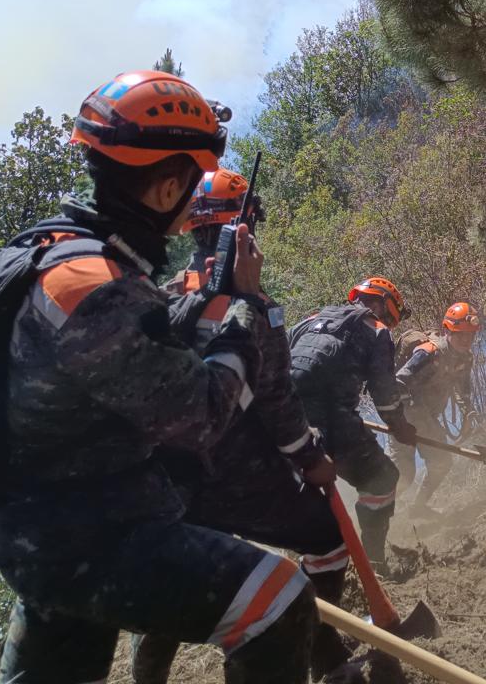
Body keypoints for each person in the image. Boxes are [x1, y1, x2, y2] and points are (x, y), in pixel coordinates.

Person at [0, 70, 317, 684]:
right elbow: (202, 415)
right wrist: (243, 304)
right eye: (191, 188)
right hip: (87, 537)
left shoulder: (62, 255)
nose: (194, 206)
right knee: (277, 601)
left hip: (48, 530)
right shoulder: (97, 289)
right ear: (166, 189)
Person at [133, 168, 357, 684]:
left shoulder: (161, 298)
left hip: (171, 484)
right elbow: (275, 399)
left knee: (178, 583)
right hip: (238, 474)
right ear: (245, 228)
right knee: (325, 538)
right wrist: (309, 458)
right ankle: (324, 654)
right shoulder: (255, 308)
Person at [288, 278, 418, 571]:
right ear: (383, 305)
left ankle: (302, 561)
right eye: (389, 316)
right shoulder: (376, 330)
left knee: (296, 490)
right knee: (382, 478)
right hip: (331, 417)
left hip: (284, 416)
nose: (387, 322)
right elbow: (384, 392)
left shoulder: (310, 319)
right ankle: (373, 562)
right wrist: (400, 426)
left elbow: (276, 359)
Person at [392, 302, 482, 510]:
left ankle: (417, 509)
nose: (466, 340)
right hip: (403, 419)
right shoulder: (429, 352)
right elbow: (399, 380)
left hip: (427, 419)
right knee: (404, 474)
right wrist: (411, 412)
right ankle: (378, 515)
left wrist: (468, 412)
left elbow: (464, 389)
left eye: (470, 335)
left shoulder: (465, 358)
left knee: (442, 463)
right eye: (461, 334)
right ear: (448, 330)